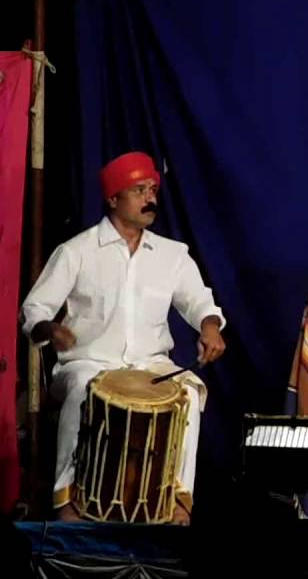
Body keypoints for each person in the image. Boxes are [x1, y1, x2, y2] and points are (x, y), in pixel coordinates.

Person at [21, 151, 226, 524]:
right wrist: (50, 329)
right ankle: (65, 500)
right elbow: (33, 310)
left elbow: (199, 301)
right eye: (139, 190)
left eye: (152, 189)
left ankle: (179, 502)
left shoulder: (172, 255)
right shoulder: (76, 252)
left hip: (151, 365)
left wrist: (210, 325)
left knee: (189, 392)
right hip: (89, 362)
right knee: (84, 389)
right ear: (113, 199)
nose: (151, 197)